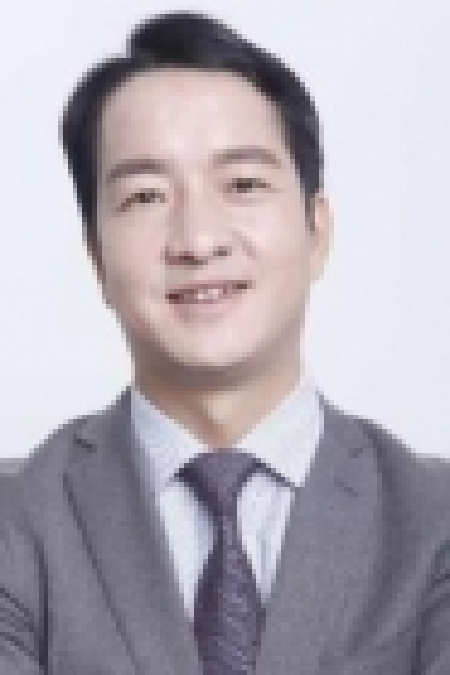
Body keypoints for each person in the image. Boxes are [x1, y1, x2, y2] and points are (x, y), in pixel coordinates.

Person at [1, 10, 449, 675]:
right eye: (146, 196)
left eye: (242, 185)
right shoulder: (17, 523)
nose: (198, 240)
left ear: (317, 230)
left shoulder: (434, 520)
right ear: (96, 257)